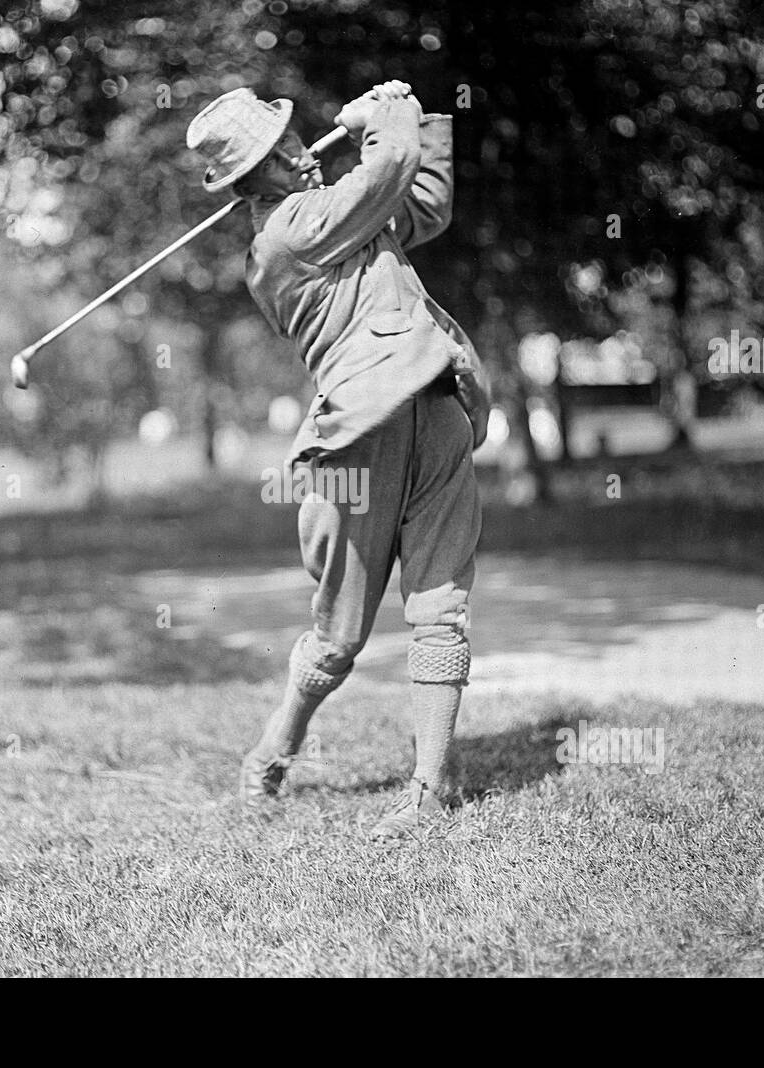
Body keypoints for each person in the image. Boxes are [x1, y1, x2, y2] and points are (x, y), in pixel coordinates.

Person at [186, 82, 490, 840]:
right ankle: (277, 745)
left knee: (442, 605)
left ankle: (429, 788)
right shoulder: (286, 237)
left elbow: (422, 203)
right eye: (278, 154)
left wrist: (418, 115)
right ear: (250, 184)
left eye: (293, 139)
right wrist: (376, 122)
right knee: (340, 634)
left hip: (438, 408)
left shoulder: (341, 219)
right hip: (359, 437)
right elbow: (385, 173)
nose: (300, 153)